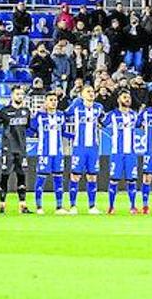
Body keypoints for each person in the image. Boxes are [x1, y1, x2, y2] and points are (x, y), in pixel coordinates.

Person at [65, 86, 104, 215]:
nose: (91, 94)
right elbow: (63, 115)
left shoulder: (98, 107)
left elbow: (104, 120)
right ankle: (73, 205)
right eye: (88, 92)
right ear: (81, 95)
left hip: (93, 148)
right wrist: (69, 135)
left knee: (92, 176)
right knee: (75, 176)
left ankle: (92, 206)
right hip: (79, 147)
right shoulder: (76, 106)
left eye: (92, 92)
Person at [0, 86, 33, 214]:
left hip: (21, 149)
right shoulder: (4, 111)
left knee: (21, 175)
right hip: (8, 148)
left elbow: (27, 127)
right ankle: (2, 206)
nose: (20, 96)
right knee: (5, 175)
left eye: (21, 94)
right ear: (12, 96)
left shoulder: (26, 111)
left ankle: (23, 205)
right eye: (17, 94)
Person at [30, 92, 71, 215]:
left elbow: (63, 132)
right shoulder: (39, 116)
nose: (54, 102)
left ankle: (59, 207)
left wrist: (75, 136)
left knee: (59, 179)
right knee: (41, 179)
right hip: (44, 153)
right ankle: (39, 207)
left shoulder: (60, 116)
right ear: (45, 102)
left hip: (58, 153)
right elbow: (31, 130)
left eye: (55, 100)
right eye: (51, 100)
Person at [102, 89, 139, 214]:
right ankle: (111, 206)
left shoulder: (134, 115)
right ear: (119, 100)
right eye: (124, 97)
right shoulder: (112, 115)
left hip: (131, 153)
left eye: (128, 97)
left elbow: (141, 125)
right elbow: (100, 123)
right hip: (117, 153)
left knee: (132, 180)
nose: (127, 99)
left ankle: (133, 206)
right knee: (114, 180)